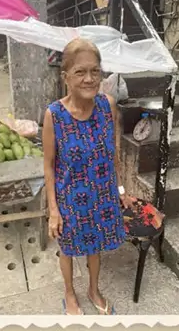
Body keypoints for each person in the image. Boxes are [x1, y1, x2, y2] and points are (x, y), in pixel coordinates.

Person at [42, 38, 135, 316]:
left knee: (96, 248)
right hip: (70, 198)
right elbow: (48, 165)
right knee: (69, 250)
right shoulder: (54, 115)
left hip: (102, 196)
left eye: (95, 71)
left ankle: (93, 289)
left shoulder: (107, 106)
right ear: (66, 77)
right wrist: (54, 211)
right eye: (80, 72)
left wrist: (120, 191)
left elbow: (113, 153)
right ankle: (70, 293)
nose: (89, 78)